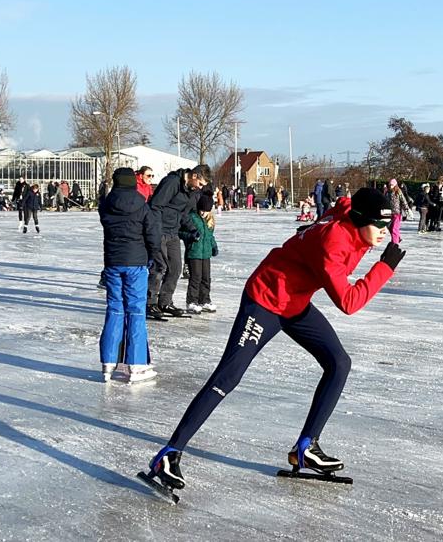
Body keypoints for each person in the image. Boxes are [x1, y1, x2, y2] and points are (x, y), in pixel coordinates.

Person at [143, 189, 405, 491]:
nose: (384, 232)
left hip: (295, 302)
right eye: (378, 225)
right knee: (228, 377)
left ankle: (306, 447)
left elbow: (344, 204)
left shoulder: (350, 215)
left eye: (387, 225)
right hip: (265, 300)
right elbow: (349, 301)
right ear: (359, 220)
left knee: (339, 362)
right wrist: (384, 267)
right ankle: (169, 453)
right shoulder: (334, 242)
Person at [99, 168, 162, 383]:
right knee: (135, 311)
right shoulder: (141, 205)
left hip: (113, 263)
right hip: (136, 264)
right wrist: (152, 255)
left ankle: (108, 364)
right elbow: (153, 234)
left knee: (115, 310)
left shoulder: (106, 205)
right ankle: (136, 364)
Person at [147, 165, 210, 320]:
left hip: (173, 232)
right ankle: (149, 303)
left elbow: (182, 213)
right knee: (159, 267)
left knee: (175, 268)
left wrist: (192, 229)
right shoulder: (172, 182)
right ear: (194, 176)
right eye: (200, 184)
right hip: (160, 230)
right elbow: (155, 206)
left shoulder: (189, 190)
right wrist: (155, 230)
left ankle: (165, 302)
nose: (200, 188)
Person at [181, 191, 218, 314]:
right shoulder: (192, 218)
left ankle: (205, 300)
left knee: (206, 278)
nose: (203, 212)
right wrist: (191, 236)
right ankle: (192, 301)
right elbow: (180, 232)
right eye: (201, 209)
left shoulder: (210, 221)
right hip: (194, 253)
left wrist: (214, 247)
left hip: (205, 254)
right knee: (195, 277)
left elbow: (210, 237)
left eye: (206, 210)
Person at [386, 179, 409, 243]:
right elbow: (385, 201)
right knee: (390, 228)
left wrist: (406, 209)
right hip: (389, 213)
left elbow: (403, 200)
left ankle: (394, 243)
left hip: (397, 213)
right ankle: (397, 238)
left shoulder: (398, 191)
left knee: (394, 229)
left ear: (395, 185)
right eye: (390, 185)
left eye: (392, 185)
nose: (390, 186)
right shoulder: (388, 192)